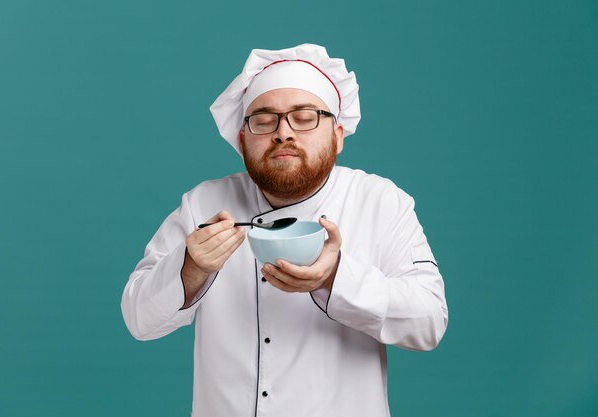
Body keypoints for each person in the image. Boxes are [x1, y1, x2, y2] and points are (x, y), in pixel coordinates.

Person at [121, 43, 448, 417]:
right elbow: (138, 319)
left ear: (338, 134)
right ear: (243, 139)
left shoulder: (379, 201)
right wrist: (190, 266)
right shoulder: (204, 204)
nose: (283, 133)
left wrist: (337, 278)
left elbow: (428, 322)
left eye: (305, 117)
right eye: (264, 119)